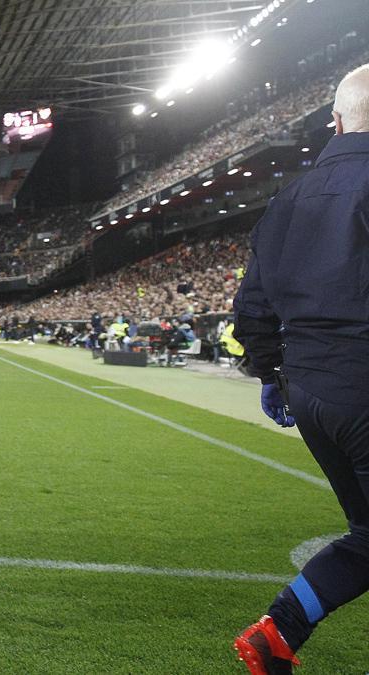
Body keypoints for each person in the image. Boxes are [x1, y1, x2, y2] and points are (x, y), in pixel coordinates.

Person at [231, 63, 369, 675]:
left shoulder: (288, 196)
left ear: (336, 121)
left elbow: (251, 308)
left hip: (311, 391)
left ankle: (277, 636)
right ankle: (278, 628)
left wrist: (271, 375)